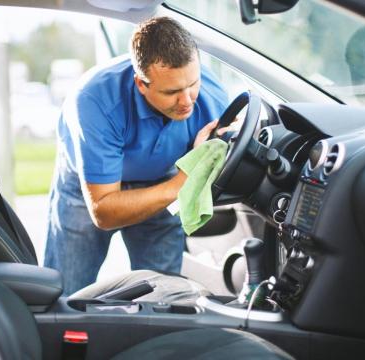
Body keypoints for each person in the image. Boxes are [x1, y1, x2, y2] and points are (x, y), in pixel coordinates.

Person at [44, 16, 228, 295]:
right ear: (141, 84)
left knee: (163, 297)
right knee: (66, 296)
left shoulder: (212, 98)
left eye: (192, 83)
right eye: (171, 92)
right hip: (89, 189)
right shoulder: (95, 101)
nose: (187, 100)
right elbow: (103, 211)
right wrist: (183, 182)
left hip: (162, 177)